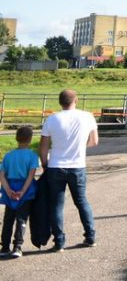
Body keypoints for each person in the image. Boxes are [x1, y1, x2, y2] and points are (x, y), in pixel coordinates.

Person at [39, 89, 98, 251]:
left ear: (60, 102)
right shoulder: (87, 117)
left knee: (56, 205)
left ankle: (59, 242)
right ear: (76, 100)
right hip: (77, 166)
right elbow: (94, 141)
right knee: (81, 201)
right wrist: (79, 148)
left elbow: (43, 147)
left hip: (56, 166)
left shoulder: (52, 119)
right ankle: (90, 236)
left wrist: (45, 164)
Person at [0, 126, 40, 258]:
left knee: (8, 219)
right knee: (21, 218)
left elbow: (2, 175)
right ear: (30, 139)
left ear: (16, 138)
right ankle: (17, 246)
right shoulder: (32, 155)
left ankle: (4, 247)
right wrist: (22, 191)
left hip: (10, 187)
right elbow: (31, 175)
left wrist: (8, 190)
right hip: (25, 189)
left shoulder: (8, 156)